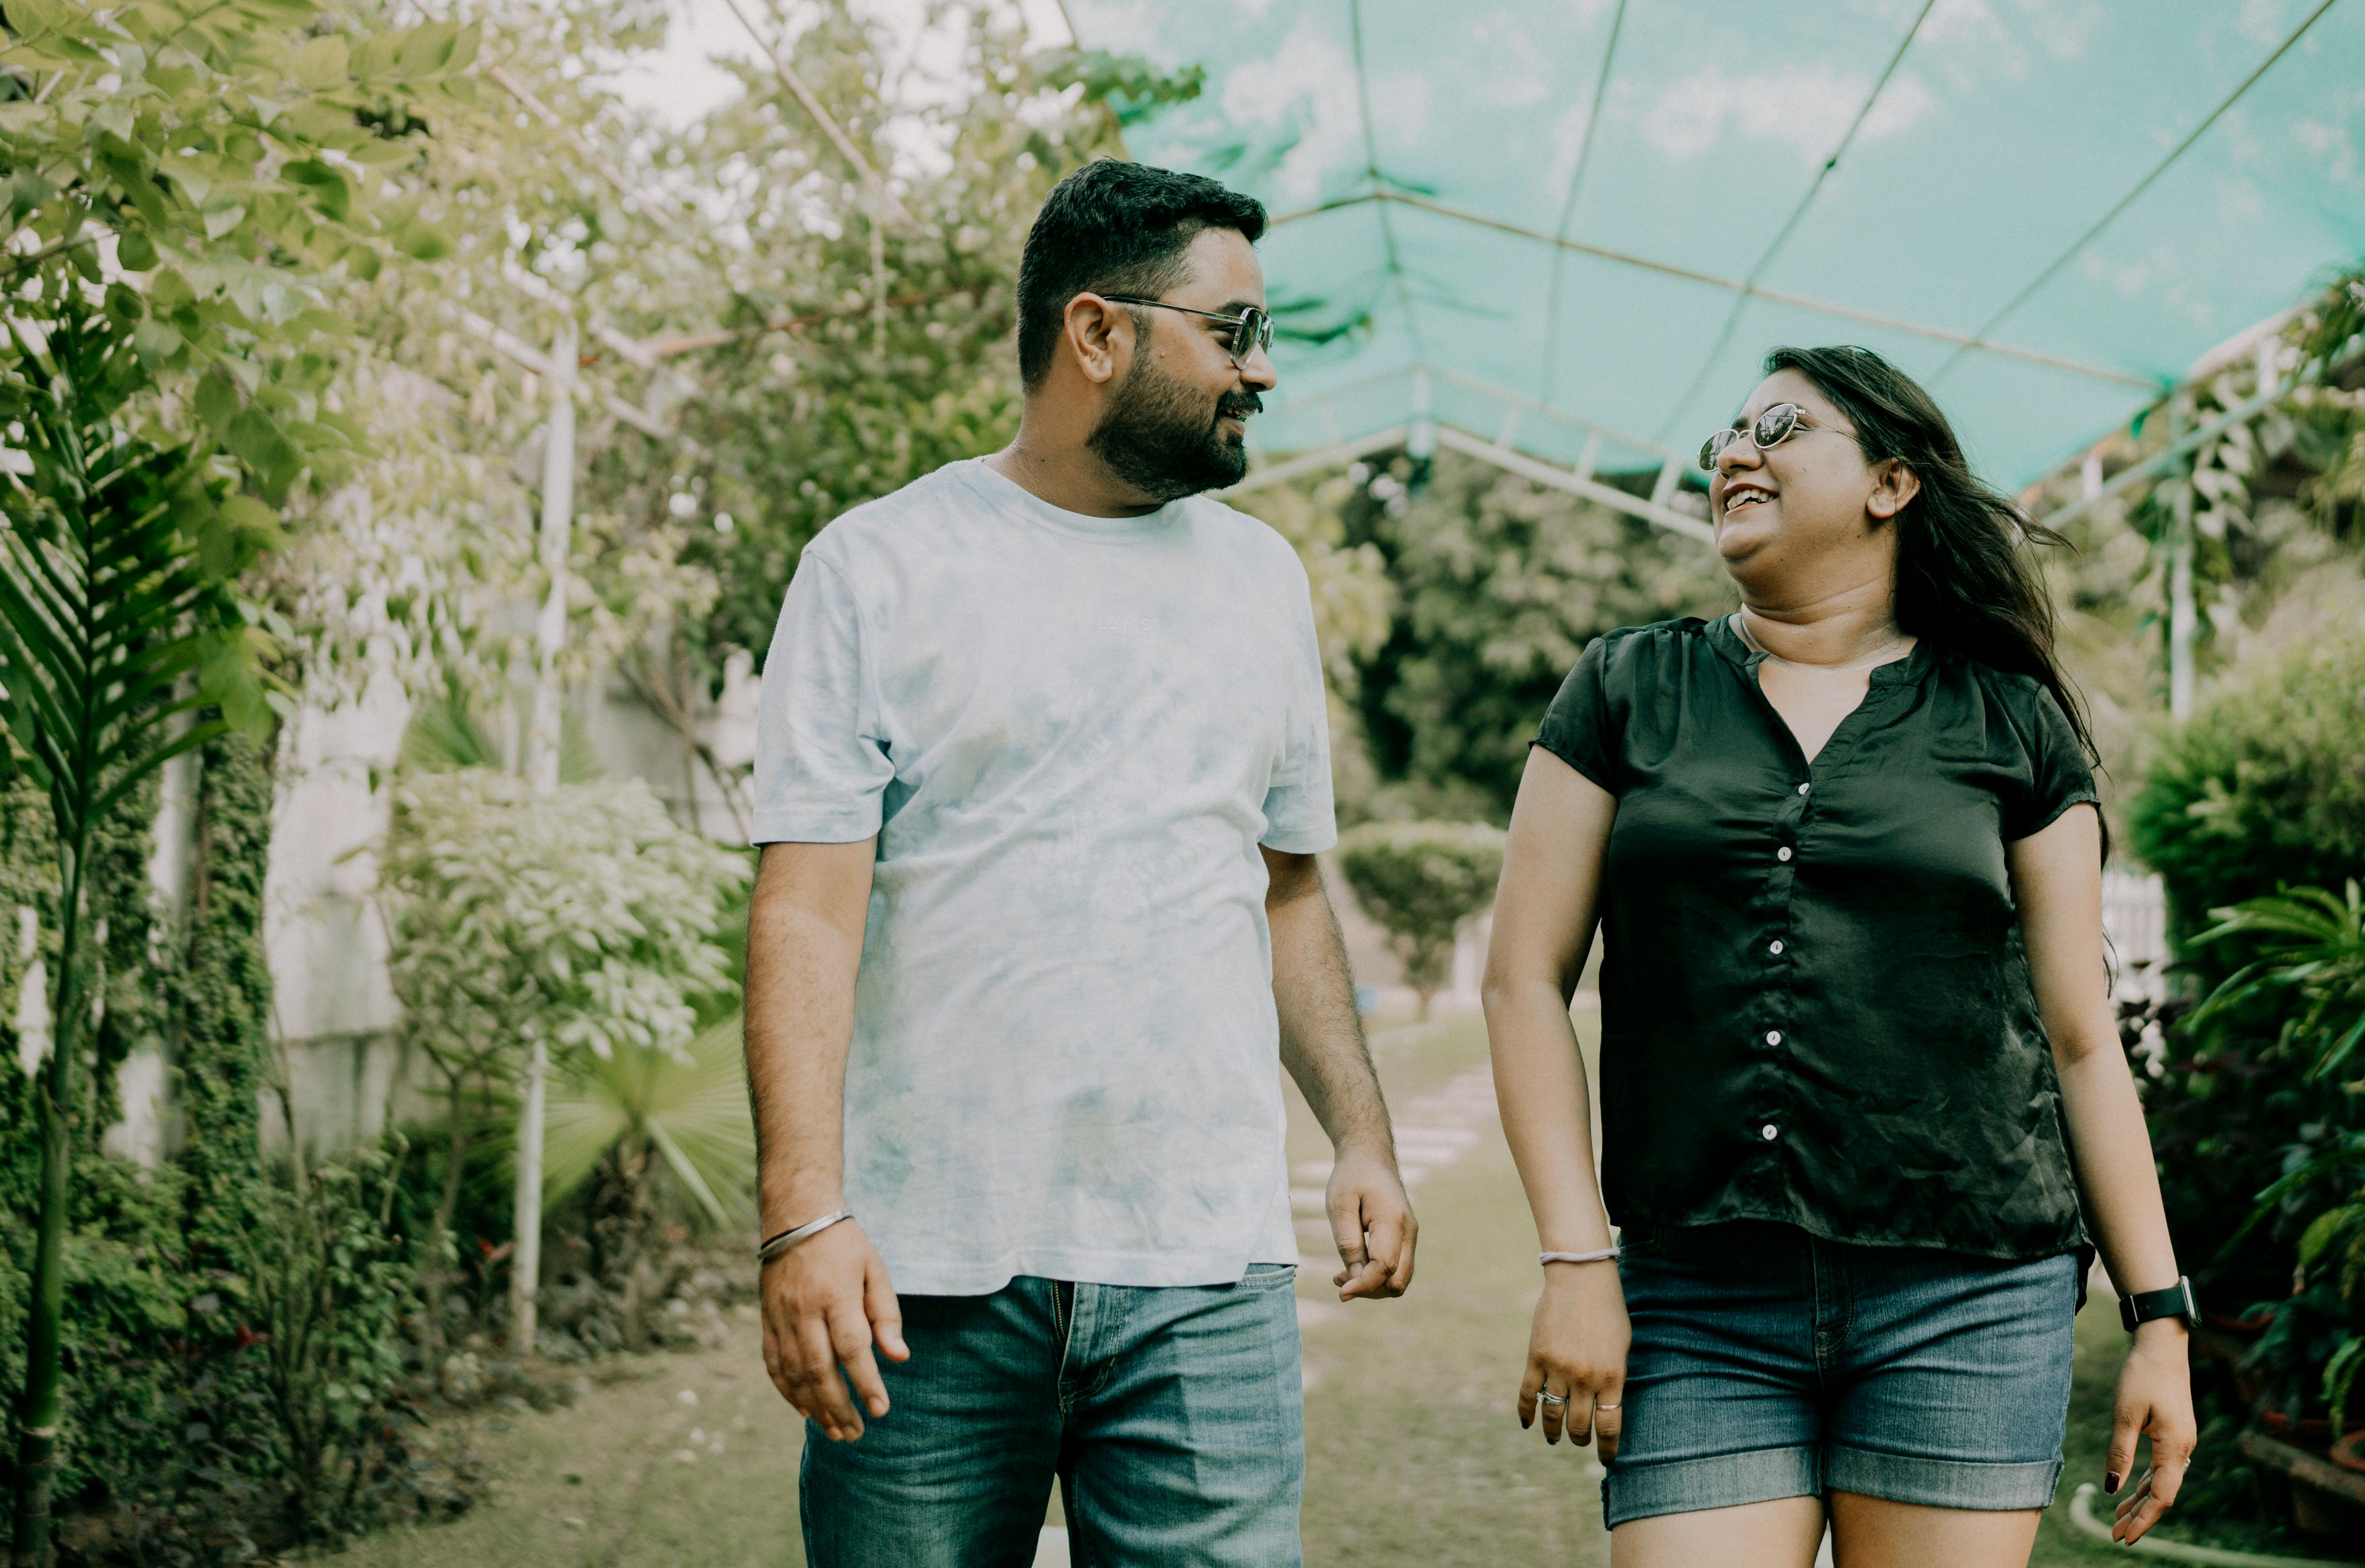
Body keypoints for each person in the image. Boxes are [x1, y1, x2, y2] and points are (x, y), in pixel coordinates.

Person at [743, 159, 1414, 1568]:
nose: (1264, 370)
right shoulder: (878, 567)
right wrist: (803, 1212)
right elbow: (808, 908)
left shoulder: (1264, 582)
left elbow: (1286, 888)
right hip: (924, 1275)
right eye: (1233, 330)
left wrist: (1360, 1130)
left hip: (1205, 1270)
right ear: (1098, 332)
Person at [1482, 344, 2196, 1568]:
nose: (1733, 451)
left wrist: (2161, 1321)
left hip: (1968, 1296)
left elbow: (2083, 1041)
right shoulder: (1625, 687)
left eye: (1779, 425)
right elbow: (1521, 982)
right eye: (1728, 431)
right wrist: (1572, 1258)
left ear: (1890, 483)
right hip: (1697, 1300)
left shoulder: (2008, 719)